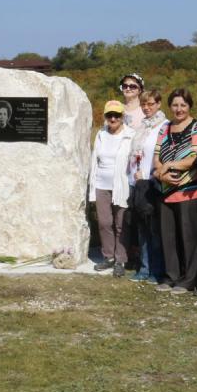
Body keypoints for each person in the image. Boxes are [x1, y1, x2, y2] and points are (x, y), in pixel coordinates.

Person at [152, 89, 197, 295]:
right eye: (175, 105)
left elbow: (195, 157)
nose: (179, 109)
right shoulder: (165, 128)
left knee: (188, 236)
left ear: (189, 106)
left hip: (188, 189)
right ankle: (171, 276)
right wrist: (161, 174)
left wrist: (169, 165)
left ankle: (189, 279)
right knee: (168, 236)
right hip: (165, 188)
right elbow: (157, 156)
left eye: (183, 105)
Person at [88, 100, 134, 277]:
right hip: (101, 184)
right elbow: (96, 158)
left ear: (122, 116)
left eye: (117, 115)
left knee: (121, 224)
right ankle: (108, 256)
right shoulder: (101, 134)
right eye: (109, 115)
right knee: (104, 223)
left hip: (121, 186)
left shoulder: (130, 135)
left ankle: (120, 259)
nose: (113, 119)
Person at [127, 91, 166, 282]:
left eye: (150, 104)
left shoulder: (164, 126)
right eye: (144, 104)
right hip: (139, 183)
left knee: (155, 230)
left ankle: (157, 270)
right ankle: (144, 268)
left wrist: (150, 174)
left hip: (154, 183)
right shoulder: (142, 127)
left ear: (158, 104)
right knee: (142, 229)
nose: (146, 108)